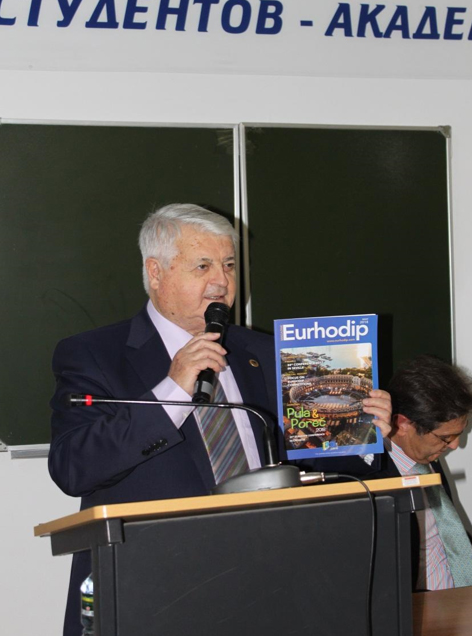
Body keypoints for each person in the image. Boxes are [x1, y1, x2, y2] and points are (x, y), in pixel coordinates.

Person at [48, 203, 392, 636]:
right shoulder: (94, 354)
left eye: (229, 265)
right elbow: (73, 467)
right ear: (156, 273)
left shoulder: (265, 352)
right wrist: (173, 389)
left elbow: (310, 458)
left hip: (269, 583)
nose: (222, 282)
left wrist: (362, 431)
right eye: (203, 266)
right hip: (152, 589)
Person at [373, 354, 472, 590]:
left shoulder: (424, 456)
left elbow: (448, 538)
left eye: (458, 434)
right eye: (446, 437)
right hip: (419, 605)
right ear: (403, 424)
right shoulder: (369, 476)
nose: (454, 446)